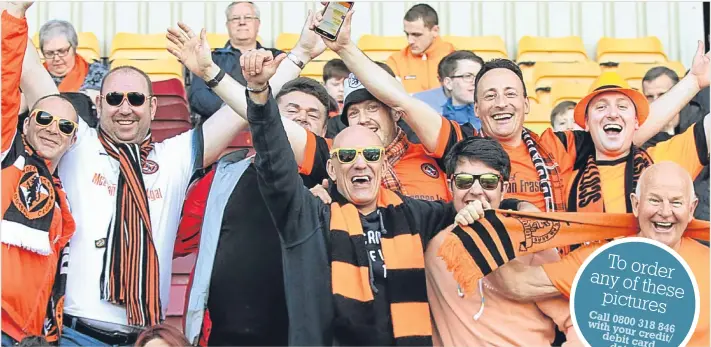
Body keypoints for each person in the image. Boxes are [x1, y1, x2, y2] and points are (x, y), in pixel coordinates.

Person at [54, 17, 325, 346]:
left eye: (136, 99)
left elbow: (247, 106)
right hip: (76, 333)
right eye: (114, 99)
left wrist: (300, 54)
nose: (125, 108)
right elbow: (30, 86)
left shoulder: (174, 156)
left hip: (145, 338)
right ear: (99, 104)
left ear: (153, 107)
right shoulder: (74, 143)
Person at [174, 77, 333, 346]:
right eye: (291, 110)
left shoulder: (336, 183)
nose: (302, 118)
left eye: (313, 114)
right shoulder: (220, 177)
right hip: (225, 335)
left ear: (325, 130)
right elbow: (180, 239)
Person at [486, 162, 710, 347]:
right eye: (654, 200)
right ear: (635, 204)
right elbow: (517, 284)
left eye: (676, 202)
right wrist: (483, 230)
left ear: (691, 209)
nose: (665, 211)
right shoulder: (604, 259)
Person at [425, 137, 581, 346]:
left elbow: (576, 321)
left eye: (488, 182)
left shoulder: (530, 241)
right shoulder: (433, 248)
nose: (477, 191)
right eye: (464, 181)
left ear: (504, 188)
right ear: (450, 185)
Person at [2, 3, 76, 345]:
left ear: (74, 138)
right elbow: (5, 94)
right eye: (44, 119)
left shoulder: (61, 194)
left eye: (64, 126)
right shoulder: (7, 157)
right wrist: (13, 12)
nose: (52, 129)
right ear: (27, 122)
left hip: (33, 335)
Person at [567, 69, 709, 214]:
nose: (613, 114)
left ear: (636, 122)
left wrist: (695, 80)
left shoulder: (659, 163)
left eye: (622, 106)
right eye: (601, 107)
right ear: (586, 122)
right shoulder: (565, 171)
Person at [188, 1, 283, 119]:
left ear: (258, 24)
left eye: (248, 18)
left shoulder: (276, 57)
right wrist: (239, 112)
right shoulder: (209, 59)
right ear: (227, 25)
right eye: (235, 18)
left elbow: (287, 94)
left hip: (268, 125)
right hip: (221, 127)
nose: (242, 22)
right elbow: (198, 97)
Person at [386, 3, 454, 94]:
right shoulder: (395, 60)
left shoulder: (453, 56)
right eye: (407, 34)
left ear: (435, 31)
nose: (410, 41)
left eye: (416, 35)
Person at [416, 50, 484, 132]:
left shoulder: (491, 109)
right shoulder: (426, 110)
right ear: (448, 83)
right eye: (468, 76)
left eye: (479, 76)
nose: (475, 82)